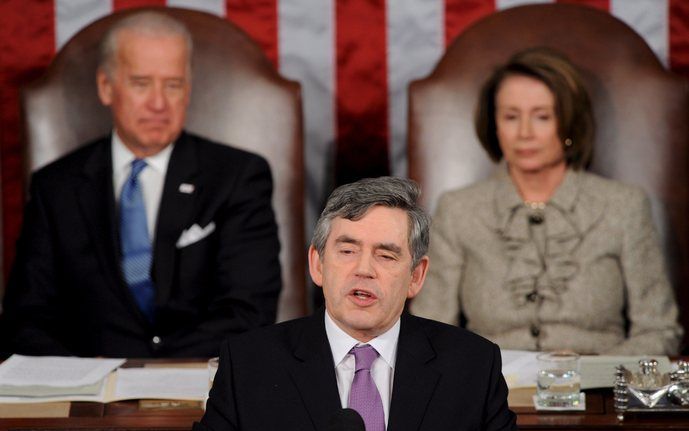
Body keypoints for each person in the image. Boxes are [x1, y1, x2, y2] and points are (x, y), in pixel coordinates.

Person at [0, 11, 281, 358]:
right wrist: (84, 379)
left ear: (188, 91)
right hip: (89, 394)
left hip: (198, 383)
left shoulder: (238, 177)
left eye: (173, 85)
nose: (159, 103)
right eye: (141, 83)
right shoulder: (55, 187)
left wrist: (157, 375)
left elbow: (249, 311)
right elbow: (27, 317)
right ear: (106, 87)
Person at [410, 47, 683, 355]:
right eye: (511, 117)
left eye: (542, 117)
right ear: (495, 126)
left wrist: (588, 375)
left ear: (568, 123)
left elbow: (660, 331)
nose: (525, 133)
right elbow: (430, 330)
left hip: (598, 394)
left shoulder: (624, 206)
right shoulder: (458, 209)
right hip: (491, 393)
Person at [196, 177, 517, 431]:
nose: (364, 269)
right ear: (317, 264)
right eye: (347, 251)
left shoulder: (473, 366)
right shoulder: (249, 365)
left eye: (386, 255)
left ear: (416, 276)